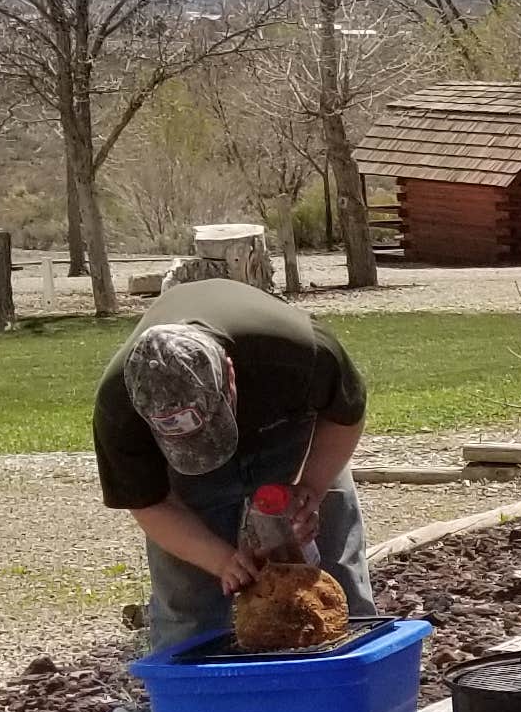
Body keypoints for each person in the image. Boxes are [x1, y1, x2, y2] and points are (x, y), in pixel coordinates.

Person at [92, 277, 378, 648]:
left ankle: (358, 665)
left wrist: (311, 486)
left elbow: (346, 416)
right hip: (184, 477)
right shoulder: (118, 408)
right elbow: (149, 504)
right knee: (188, 597)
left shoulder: (297, 351)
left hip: (287, 427)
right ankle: (195, 679)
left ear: (229, 372)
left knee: (331, 571)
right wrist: (221, 560)